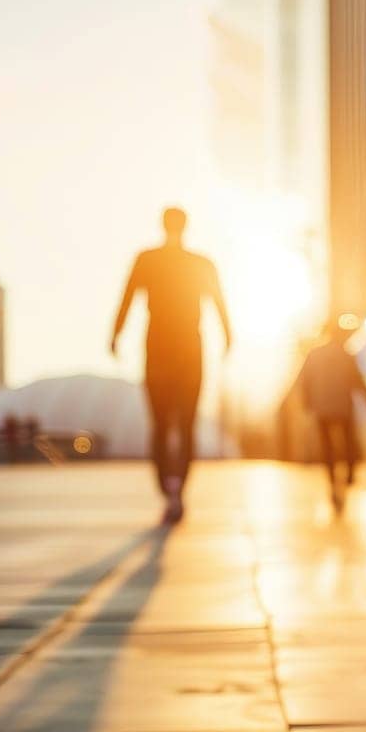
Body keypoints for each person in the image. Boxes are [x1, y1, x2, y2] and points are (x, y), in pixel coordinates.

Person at [110, 207, 232, 524]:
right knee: (179, 423)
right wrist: (228, 336)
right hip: (187, 347)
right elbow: (220, 304)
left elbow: (127, 299)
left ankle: (170, 490)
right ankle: (176, 491)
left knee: (164, 424)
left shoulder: (149, 259)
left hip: (164, 346)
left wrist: (116, 334)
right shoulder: (198, 262)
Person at [293, 318, 366, 508]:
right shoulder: (346, 355)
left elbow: (304, 380)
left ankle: (332, 479)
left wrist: (307, 403)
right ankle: (349, 474)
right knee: (348, 442)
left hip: (322, 407)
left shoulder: (315, 354)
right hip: (343, 406)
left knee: (327, 447)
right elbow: (357, 379)